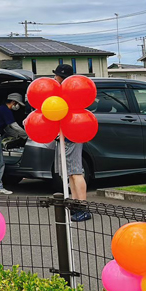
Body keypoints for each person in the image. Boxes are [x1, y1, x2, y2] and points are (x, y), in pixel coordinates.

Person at [53, 64, 91, 222]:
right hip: (67, 136)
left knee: (76, 172)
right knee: (71, 174)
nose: (54, 78)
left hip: (72, 136)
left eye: (56, 76)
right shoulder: (64, 93)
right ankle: (75, 204)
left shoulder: (70, 93)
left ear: (61, 77)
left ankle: (83, 207)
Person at [0, 93, 28, 195]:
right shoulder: (5, 110)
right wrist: (26, 135)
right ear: (13, 102)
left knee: (0, 164)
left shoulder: (2, 110)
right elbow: (14, 126)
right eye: (17, 104)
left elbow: (7, 129)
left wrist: (18, 135)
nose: (18, 107)